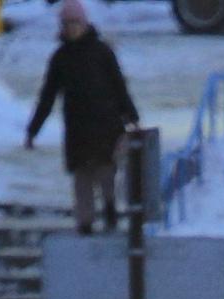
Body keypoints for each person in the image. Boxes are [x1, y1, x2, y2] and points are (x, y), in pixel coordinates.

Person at [24, 0, 139, 235]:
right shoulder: (60, 58)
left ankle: (110, 210)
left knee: (107, 173)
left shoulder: (102, 52)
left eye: (75, 23)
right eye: (67, 24)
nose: (72, 28)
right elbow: (47, 96)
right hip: (77, 129)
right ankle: (85, 223)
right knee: (82, 178)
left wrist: (131, 116)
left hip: (107, 125)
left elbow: (119, 86)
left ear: (84, 23)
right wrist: (33, 129)